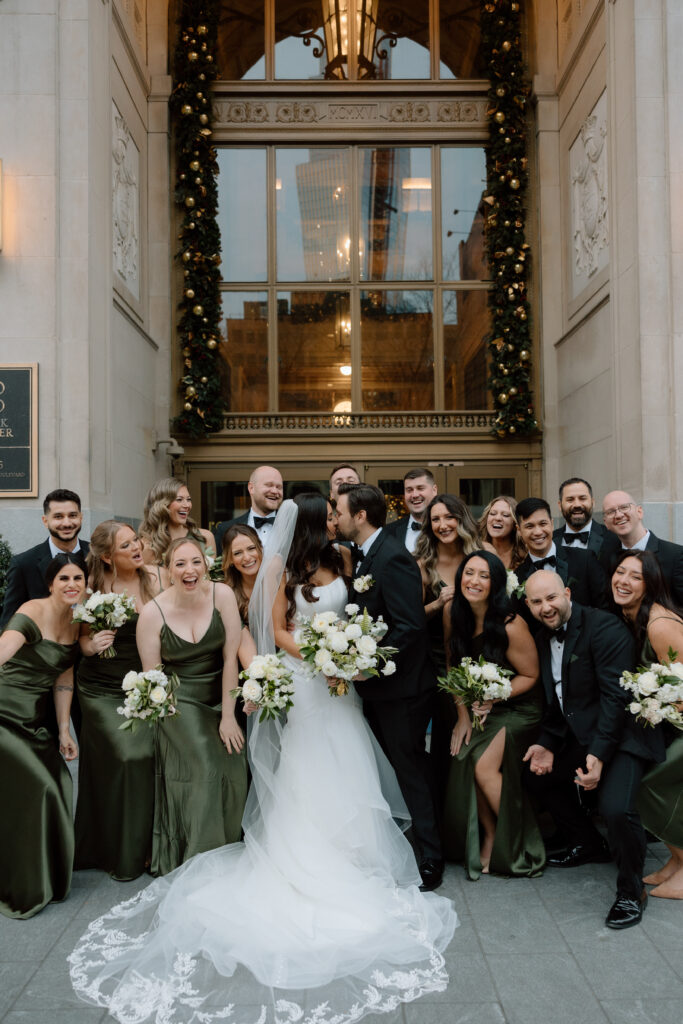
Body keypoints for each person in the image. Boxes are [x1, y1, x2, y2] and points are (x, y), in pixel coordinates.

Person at [69, 498, 457, 1024]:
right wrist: (323, 657)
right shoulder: (279, 568)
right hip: (308, 680)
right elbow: (274, 631)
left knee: (350, 760)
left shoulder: (344, 561)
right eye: (331, 513)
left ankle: (354, 854)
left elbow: (355, 615)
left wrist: (351, 654)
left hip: (341, 687)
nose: (337, 519)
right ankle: (302, 852)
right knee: (307, 767)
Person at [523, 570, 665, 929]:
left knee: (615, 809)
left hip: (622, 737)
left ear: (567, 593)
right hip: (581, 734)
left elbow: (615, 700)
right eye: (537, 602)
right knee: (537, 775)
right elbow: (560, 702)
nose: (546, 607)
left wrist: (598, 756)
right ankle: (587, 844)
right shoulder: (541, 638)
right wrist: (547, 743)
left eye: (551, 598)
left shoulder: (604, 629)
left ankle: (632, 891)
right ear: (528, 605)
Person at [335, 483, 445, 892]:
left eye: (340, 511)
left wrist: (370, 667)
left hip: (403, 692)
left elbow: (410, 627)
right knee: (396, 770)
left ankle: (432, 857)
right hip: (382, 691)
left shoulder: (393, 558)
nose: (336, 518)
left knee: (411, 769)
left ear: (360, 515)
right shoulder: (369, 555)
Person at [136, 537, 248, 875]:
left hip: (220, 688)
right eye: (181, 564)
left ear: (207, 564)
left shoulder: (222, 595)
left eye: (196, 562)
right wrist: (174, 717)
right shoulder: (152, 614)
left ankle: (230, 849)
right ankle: (202, 860)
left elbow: (231, 658)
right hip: (176, 698)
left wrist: (228, 716)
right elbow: (153, 679)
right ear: (168, 570)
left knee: (235, 763)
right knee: (204, 764)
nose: (190, 570)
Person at [442, 551, 544, 879]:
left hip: (518, 707)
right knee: (464, 758)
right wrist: (462, 715)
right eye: (469, 573)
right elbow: (452, 665)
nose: (474, 581)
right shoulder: (451, 612)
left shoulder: (510, 625)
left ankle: (518, 842)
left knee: (484, 766)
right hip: (477, 705)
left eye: (483, 576)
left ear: (495, 583)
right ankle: (488, 834)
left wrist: (493, 698)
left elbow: (530, 676)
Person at [74, 522, 165, 881]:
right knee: (129, 755)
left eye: (136, 540)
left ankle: (147, 843)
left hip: (144, 680)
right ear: (108, 557)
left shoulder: (156, 577)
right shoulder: (93, 587)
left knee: (150, 753)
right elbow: (79, 640)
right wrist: (91, 645)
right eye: (126, 545)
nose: (136, 547)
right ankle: (116, 847)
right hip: (100, 686)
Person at [0, 554, 85, 918]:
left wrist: (64, 730)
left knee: (61, 784)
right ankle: (24, 884)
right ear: (50, 583)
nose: (71, 584)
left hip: (34, 719)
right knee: (41, 786)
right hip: (3, 715)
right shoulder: (31, 611)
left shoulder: (78, 621)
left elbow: (62, 675)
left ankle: (46, 875)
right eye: (64, 578)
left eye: (78, 578)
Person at [611, 549, 683, 899]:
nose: (623, 581)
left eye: (634, 576)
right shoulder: (633, 616)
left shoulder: (658, 623)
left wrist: (660, 708)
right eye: (620, 572)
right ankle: (676, 862)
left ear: (651, 584)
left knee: (653, 782)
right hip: (672, 719)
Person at [415, 493, 482, 798]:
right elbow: (412, 617)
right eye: (436, 520)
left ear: (461, 519)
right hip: (439, 664)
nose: (443, 525)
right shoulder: (423, 565)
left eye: (448, 517)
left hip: (482, 660)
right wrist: (438, 603)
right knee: (450, 740)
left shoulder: (482, 555)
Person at [0, 488, 89, 628]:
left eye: (72, 515)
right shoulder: (23, 564)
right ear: (45, 520)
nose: (67, 523)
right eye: (58, 516)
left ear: (81, 517)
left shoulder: (97, 556)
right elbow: (10, 622)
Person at [514, 497, 608, 621]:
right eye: (529, 526)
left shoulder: (585, 559)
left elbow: (604, 608)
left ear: (552, 524)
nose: (537, 532)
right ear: (519, 530)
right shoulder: (518, 578)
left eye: (543, 524)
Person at [602, 490, 683, 604]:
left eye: (624, 507)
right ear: (606, 523)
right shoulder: (606, 556)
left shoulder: (676, 555)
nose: (619, 515)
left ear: (639, 512)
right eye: (610, 512)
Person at [139, 478, 215, 567]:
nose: (187, 505)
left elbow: (211, 578)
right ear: (162, 504)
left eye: (188, 499)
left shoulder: (205, 538)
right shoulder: (146, 545)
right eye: (179, 499)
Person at [553, 477, 620, 570]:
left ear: (593, 502)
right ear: (560, 505)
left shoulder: (613, 539)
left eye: (582, 498)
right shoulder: (550, 540)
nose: (577, 504)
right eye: (570, 499)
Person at [384, 468, 438, 554]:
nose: (415, 495)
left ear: (434, 490)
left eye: (420, 488)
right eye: (409, 490)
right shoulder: (389, 532)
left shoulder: (447, 528)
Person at [478, 494, 527, 570]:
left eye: (505, 515)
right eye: (493, 514)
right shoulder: (477, 550)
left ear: (515, 523)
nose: (497, 518)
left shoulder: (526, 554)